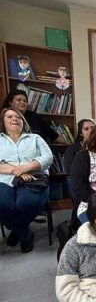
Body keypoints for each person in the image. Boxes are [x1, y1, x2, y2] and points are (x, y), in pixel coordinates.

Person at [0, 107, 53, 253]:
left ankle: (16, 231)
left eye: (18, 117)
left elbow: (48, 158)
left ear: (23, 121)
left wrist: (28, 166)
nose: (14, 119)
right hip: (4, 179)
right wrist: (16, 171)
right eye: (9, 117)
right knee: (3, 205)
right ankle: (24, 233)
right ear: (3, 121)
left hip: (33, 178)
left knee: (26, 203)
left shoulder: (35, 138)